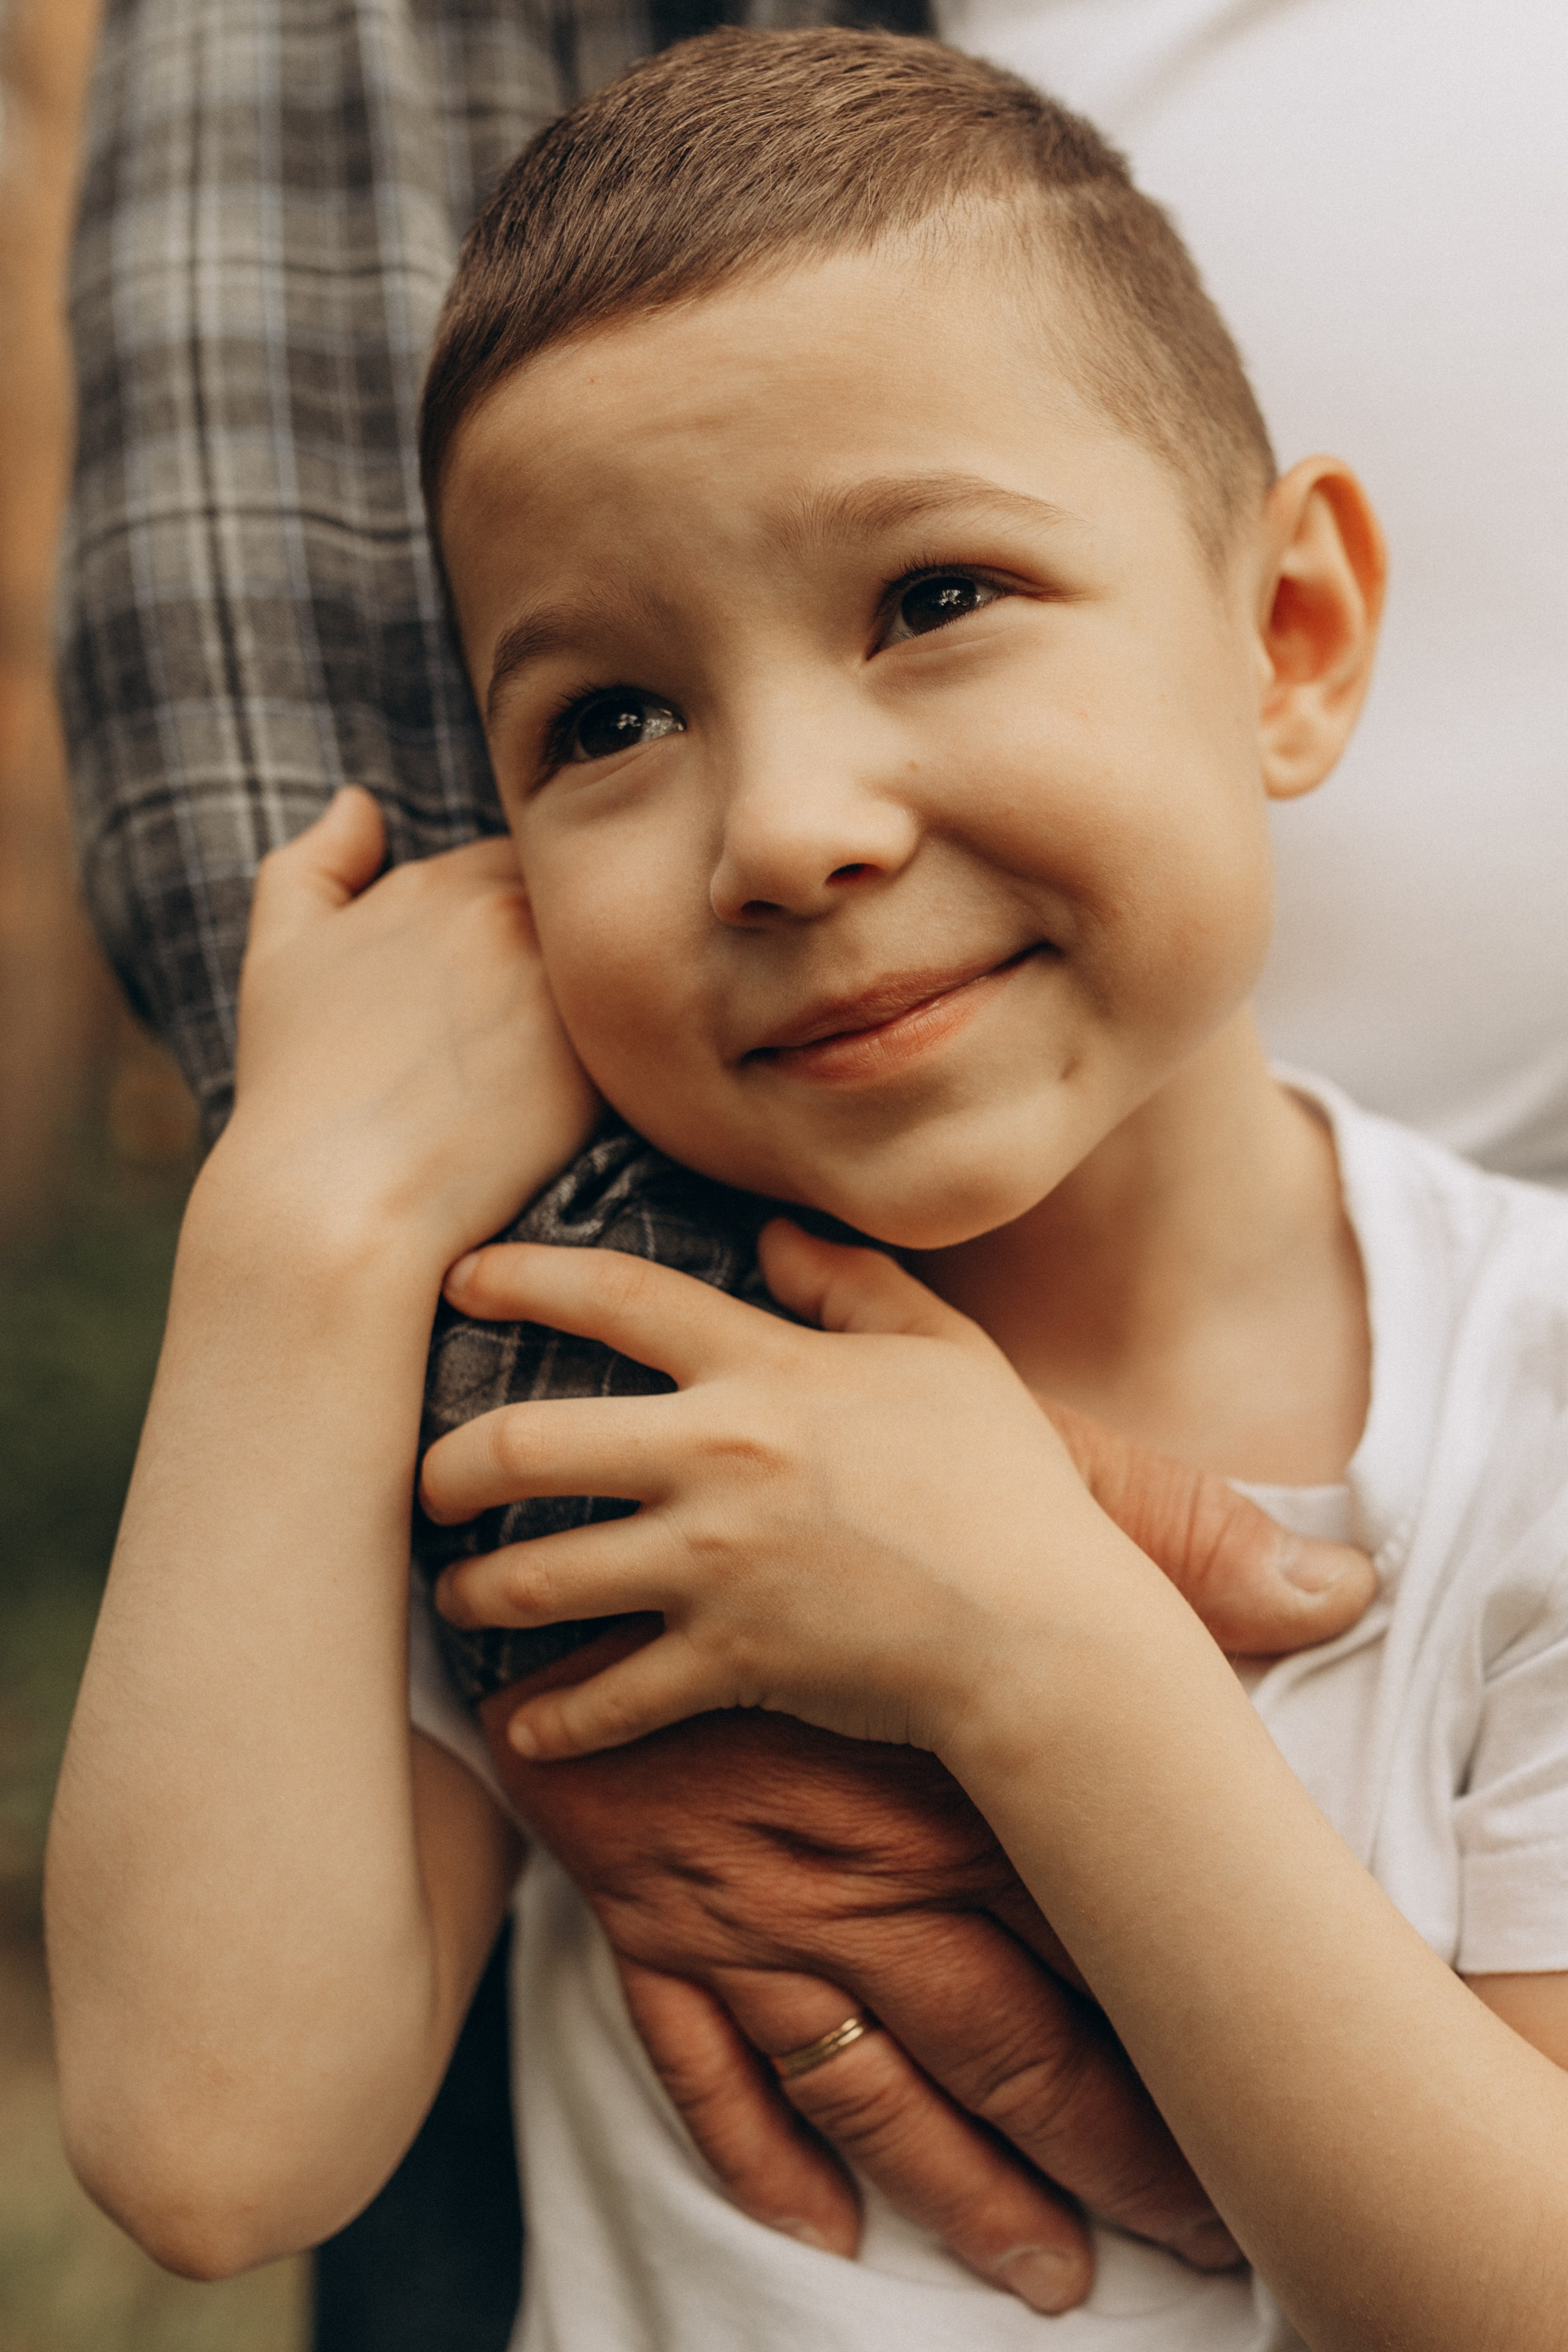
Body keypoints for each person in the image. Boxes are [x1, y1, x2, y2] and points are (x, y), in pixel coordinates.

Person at [46, 31, 1568, 2350]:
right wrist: (304, 1218)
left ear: (1290, 637)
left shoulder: (1532, 1392)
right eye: (610, 725)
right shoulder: (567, 1398)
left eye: (935, 597)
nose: (785, 828)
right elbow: (214, 2142)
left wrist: (1029, 1645)